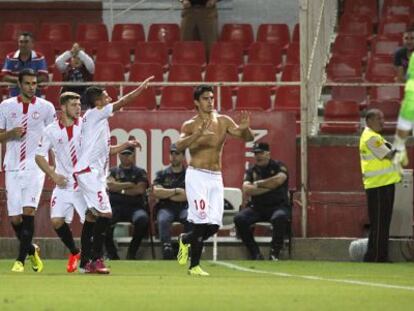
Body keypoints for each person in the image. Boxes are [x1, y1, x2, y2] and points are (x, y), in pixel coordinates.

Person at [73, 75, 154, 274]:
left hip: (90, 173)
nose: (109, 97)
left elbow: (106, 150)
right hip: (90, 173)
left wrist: (126, 144)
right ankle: (97, 259)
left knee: (92, 216)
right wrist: (141, 88)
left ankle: (84, 263)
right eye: (105, 95)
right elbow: (123, 102)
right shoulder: (96, 113)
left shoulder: (94, 120)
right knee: (106, 214)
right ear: (98, 102)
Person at [175, 84, 254, 276]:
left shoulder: (223, 121)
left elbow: (247, 137)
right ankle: (194, 266)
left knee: (214, 225)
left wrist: (245, 128)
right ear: (196, 102)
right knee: (201, 222)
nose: (210, 101)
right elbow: (178, 146)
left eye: (211, 98)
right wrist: (197, 135)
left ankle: (185, 240)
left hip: (215, 177)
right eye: (205, 98)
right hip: (197, 176)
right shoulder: (190, 124)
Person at [0, 68, 56, 272]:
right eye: (28, 83)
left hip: (35, 165)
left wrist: (55, 164)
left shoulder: (46, 107)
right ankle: (32, 250)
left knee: (28, 211)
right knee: (15, 218)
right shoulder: (6, 106)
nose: (32, 87)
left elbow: (54, 137)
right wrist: (10, 134)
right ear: (19, 85)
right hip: (13, 165)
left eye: (35, 84)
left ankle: (20, 260)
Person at [35, 92, 95, 273]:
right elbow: (39, 156)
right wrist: (53, 176)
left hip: (83, 184)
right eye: (74, 105)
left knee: (91, 218)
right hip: (63, 183)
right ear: (63, 107)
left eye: (79, 104)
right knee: (56, 222)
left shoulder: (86, 127)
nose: (78, 108)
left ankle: (86, 260)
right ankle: (75, 252)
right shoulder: (51, 130)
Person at [234, 142, 290, 261]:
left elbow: (279, 180)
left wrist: (258, 184)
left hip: (278, 206)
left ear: (268, 154)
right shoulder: (252, 170)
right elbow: (246, 189)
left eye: (260, 153)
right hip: (258, 207)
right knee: (239, 219)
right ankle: (255, 253)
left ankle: (274, 253)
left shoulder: (278, 166)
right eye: (255, 154)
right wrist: (270, 187)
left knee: (279, 218)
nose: (258, 156)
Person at [360, 109, 401, 262]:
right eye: (379, 118)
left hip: (382, 184)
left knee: (381, 222)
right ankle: (378, 256)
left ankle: (374, 255)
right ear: (369, 120)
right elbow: (389, 154)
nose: (383, 121)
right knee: (380, 223)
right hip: (378, 186)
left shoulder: (374, 136)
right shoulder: (371, 137)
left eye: (383, 118)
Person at [105, 146, 149, 260]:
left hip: (135, 207)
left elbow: (140, 190)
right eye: (123, 154)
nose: (126, 156)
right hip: (116, 207)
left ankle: (132, 252)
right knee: (104, 220)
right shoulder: (112, 171)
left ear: (133, 155)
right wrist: (129, 184)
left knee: (142, 219)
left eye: (128, 154)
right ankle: (112, 254)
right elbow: (110, 186)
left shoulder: (140, 172)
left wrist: (119, 189)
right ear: (119, 155)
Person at [151, 143, 190, 260]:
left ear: (183, 157)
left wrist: (167, 194)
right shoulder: (161, 174)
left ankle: (186, 247)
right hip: (166, 207)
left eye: (177, 154)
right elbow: (156, 192)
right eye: (171, 153)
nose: (173, 156)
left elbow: (188, 196)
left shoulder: (189, 174)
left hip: (184, 207)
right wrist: (176, 191)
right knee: (163, 219)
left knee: (190, 218)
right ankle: (166, 248)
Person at [2, 32, 49, 97]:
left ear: (32, 44)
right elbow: (4, 77)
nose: (23, 44)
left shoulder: (40, 57)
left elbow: (44, 77)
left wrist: (25, 82)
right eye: (21, 42)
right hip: (14, 96)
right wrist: (23, 81)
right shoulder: (10, 57)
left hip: (35, 96)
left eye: (26, 42)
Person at [55, 43, 95, 108]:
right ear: (70, 59)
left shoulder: (88, 68)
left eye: (79, 58)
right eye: (74, 57)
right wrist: (70, 53)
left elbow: (90, 63)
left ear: (82, 59)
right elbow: (58, 62)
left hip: (84, 97)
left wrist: (79, 52)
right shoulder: (66, 67)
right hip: (68, 96)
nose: (76, 60)